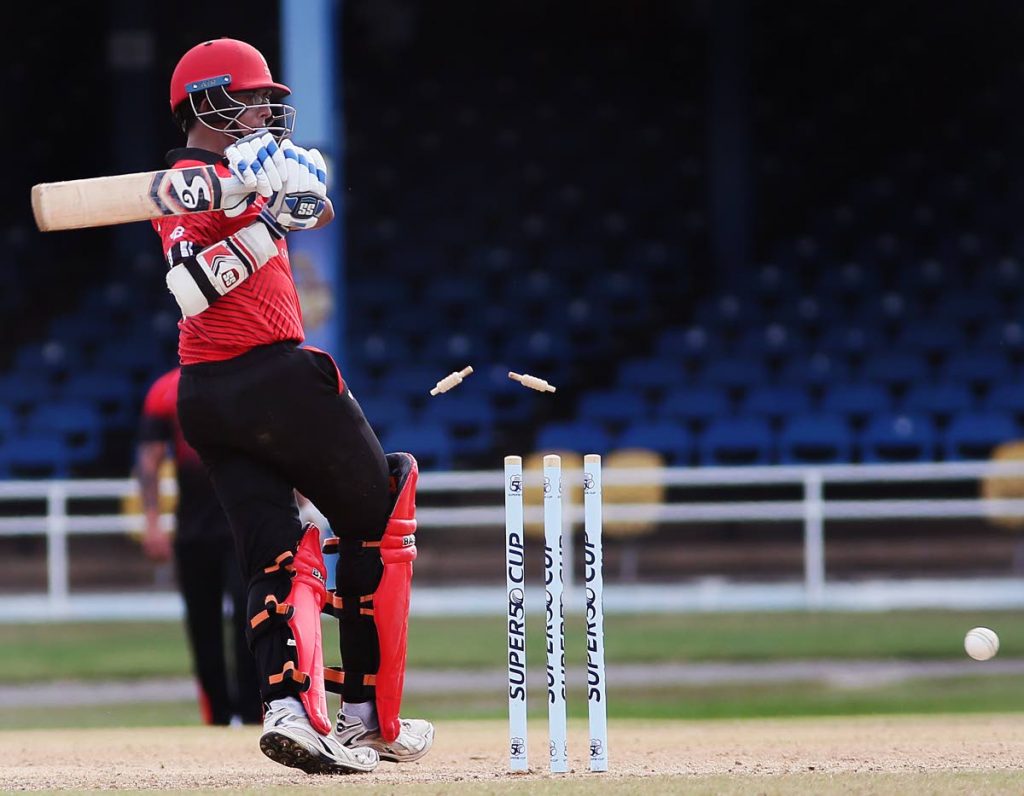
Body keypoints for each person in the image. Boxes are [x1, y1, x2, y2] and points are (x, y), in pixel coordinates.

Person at [154, 38, 433, 775]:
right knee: (383, 509)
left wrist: (277, 195)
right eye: (247, 99)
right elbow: (191, 290)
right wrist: (269, 219)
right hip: (268, 375)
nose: (260, 112)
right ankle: (369, 715)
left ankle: (290, 712)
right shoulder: (183, 179)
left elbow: (321, 208)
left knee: (277, 546)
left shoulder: (233, 176)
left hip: (210, 398)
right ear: (205, 103)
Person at [136, 366, 263, 727]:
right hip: (196, 531)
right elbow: (151, 458)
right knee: (202, 627)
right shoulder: (167, 390)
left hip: (244, 527)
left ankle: (254, 715)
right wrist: (151, 523)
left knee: (250, 620)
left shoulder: (249, 380)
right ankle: (219, 718)